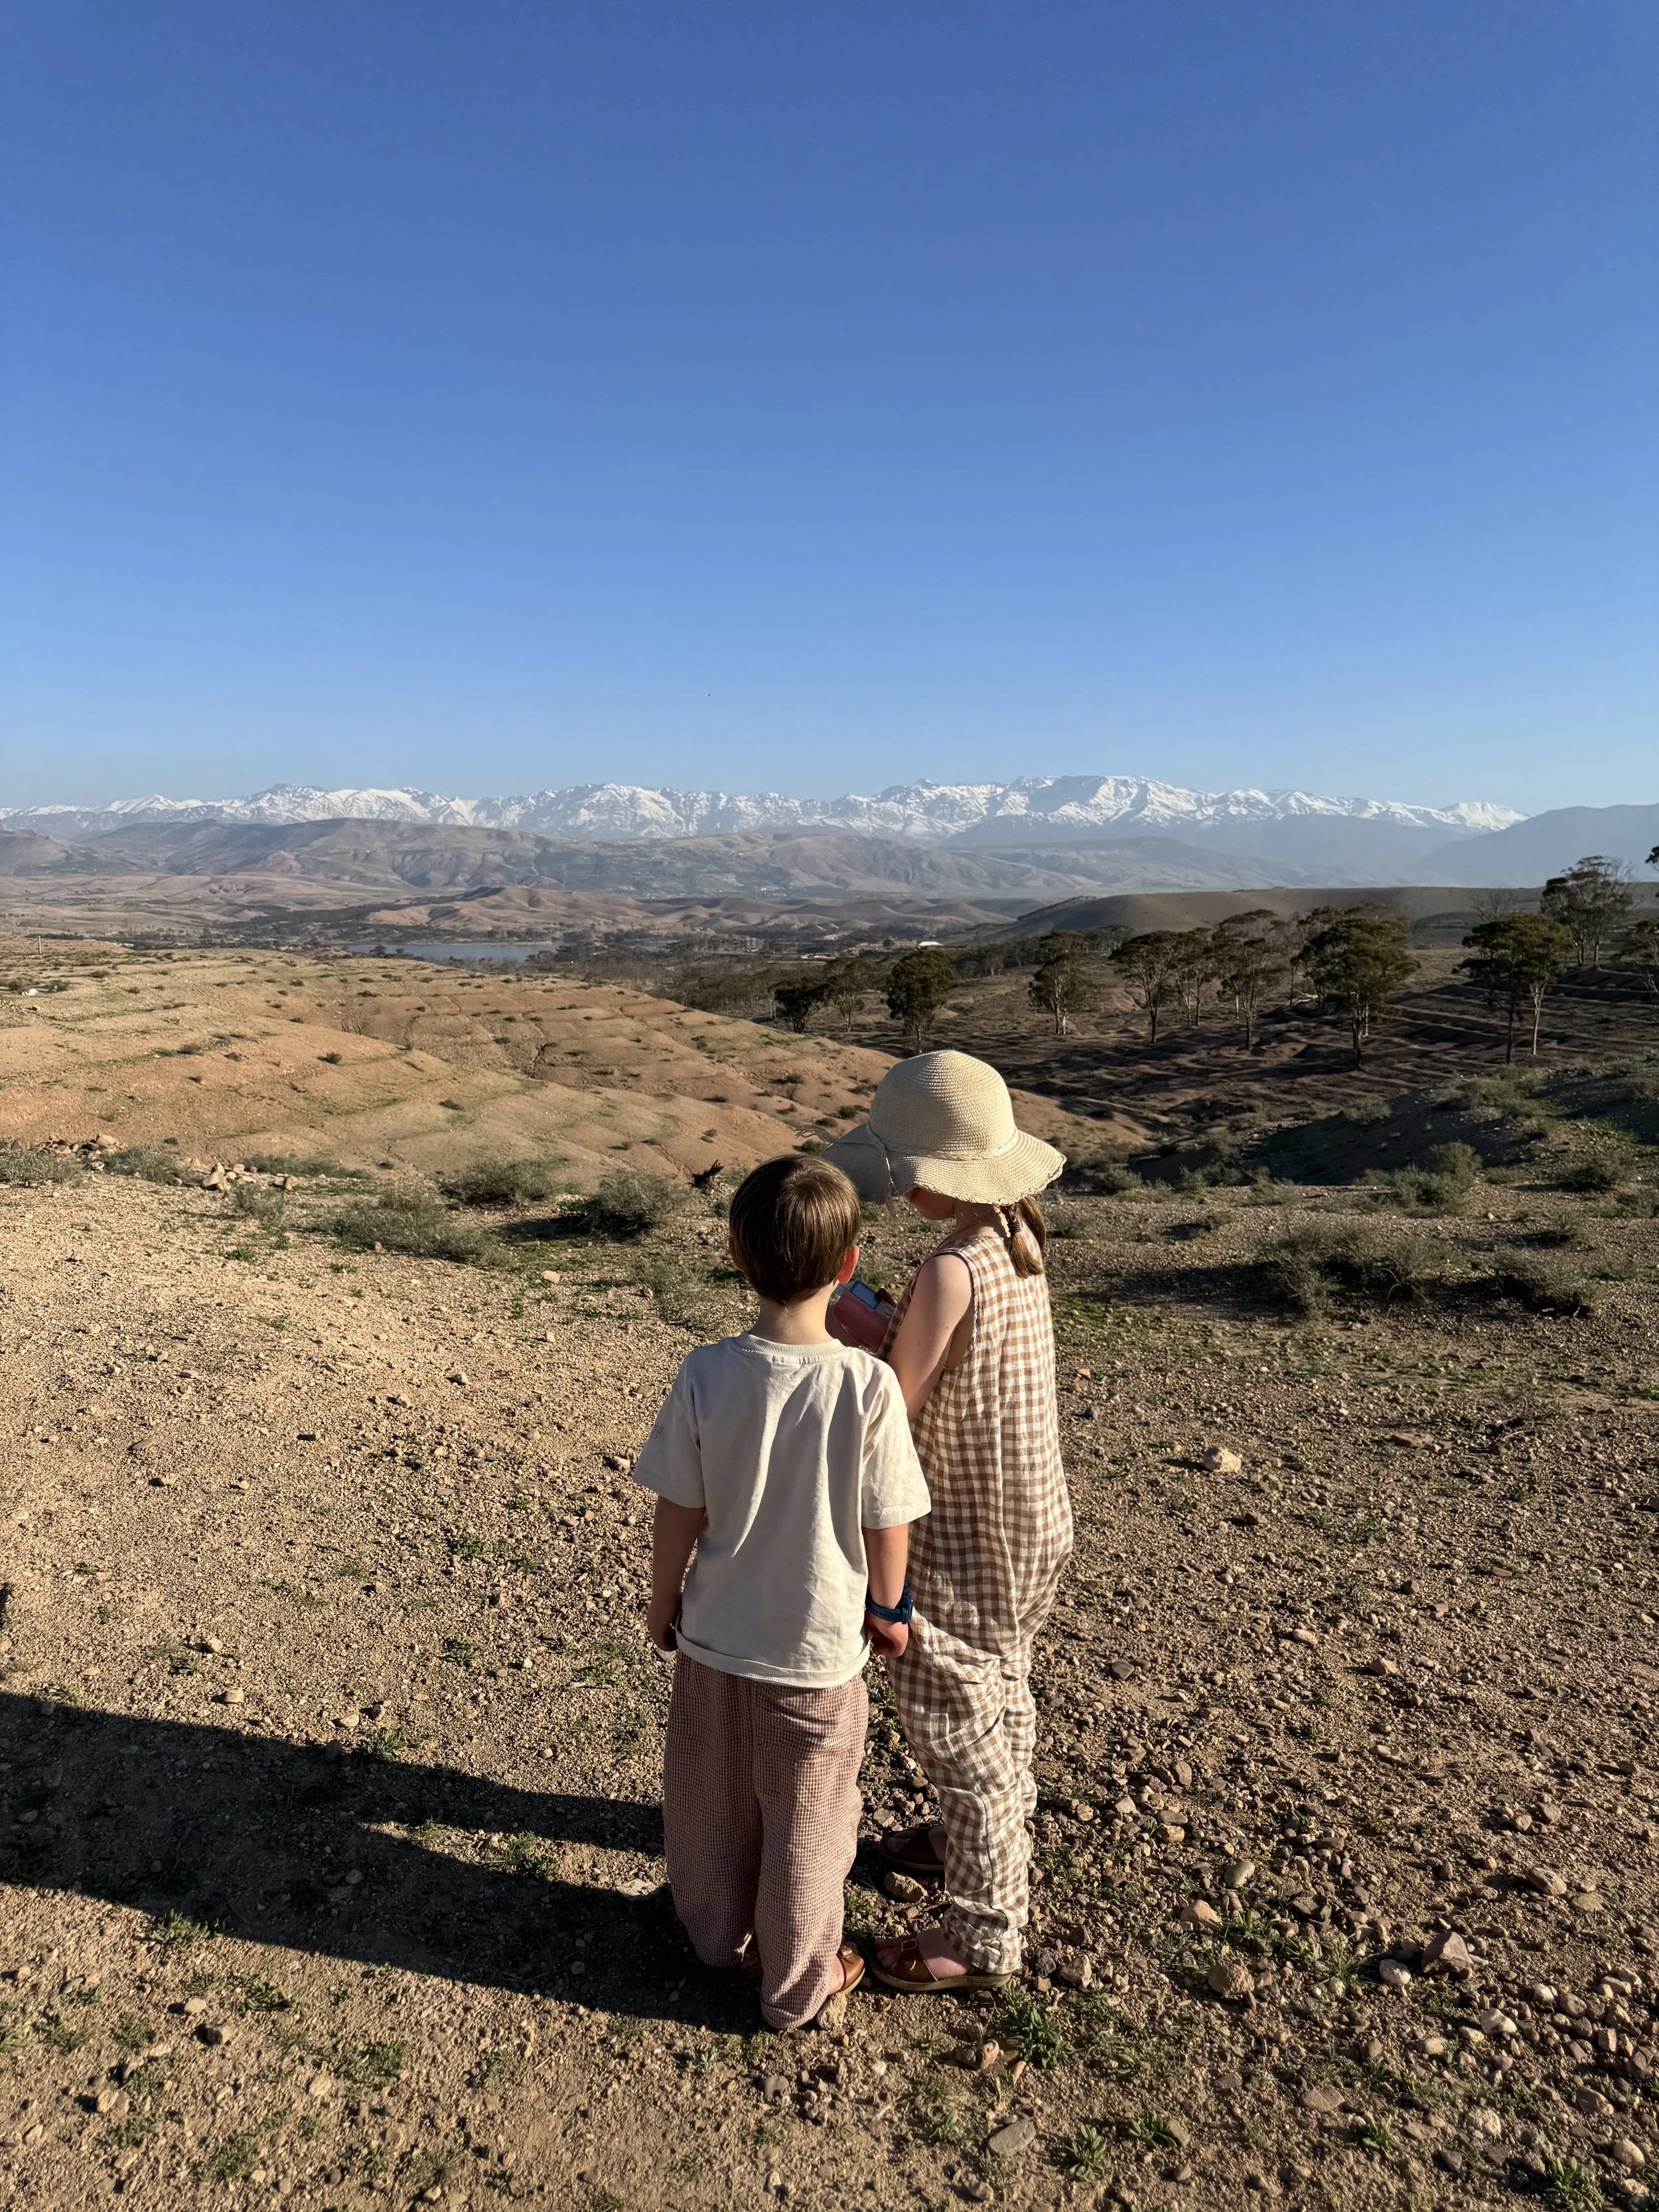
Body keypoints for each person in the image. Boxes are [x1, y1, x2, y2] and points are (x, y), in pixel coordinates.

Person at [632, 1153, 931, 2031]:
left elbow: (678, 1508)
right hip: (817, 1657)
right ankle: (799, 1983)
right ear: (850, 1266)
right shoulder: (867, 1386)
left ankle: (713, 1933)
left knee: (711, 1797)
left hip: (717, 1641)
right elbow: (888, 1518)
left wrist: (663, 1599)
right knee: (810, 1820)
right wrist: (891, 1607)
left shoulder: (707, 1373)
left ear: (735, 1253)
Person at [825, 1050, 1070, 1993]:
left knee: (956, 1723)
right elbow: (954, 1361)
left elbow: (897, 1397)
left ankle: (983, 1930)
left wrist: (841, 1329)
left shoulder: (945, 1269)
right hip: (1029, 1521)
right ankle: (977, 1835)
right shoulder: (1015, 1238)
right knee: (1001, 1686)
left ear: (930, 1173)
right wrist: (878, 1316)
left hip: (963, 1535)